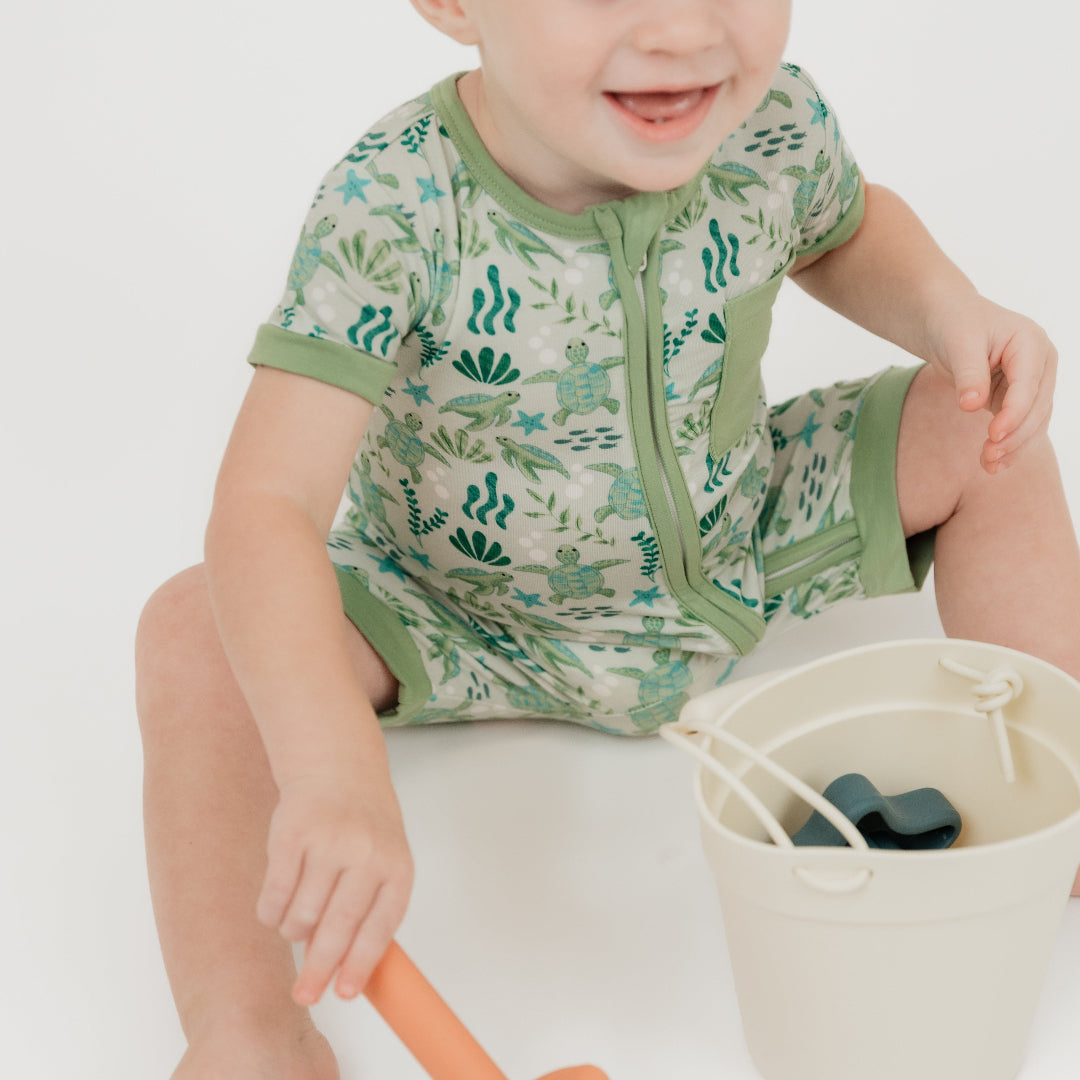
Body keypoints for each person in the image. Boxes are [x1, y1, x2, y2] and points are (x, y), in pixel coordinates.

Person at [134, 1, 1080, 1075]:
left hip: (739, 540)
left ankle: (1063, 783)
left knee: (984, 423)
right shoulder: (393, 202)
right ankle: (250, 1029)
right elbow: (268, 502)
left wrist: (946, 309)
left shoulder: (767, 121)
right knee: (190, 629)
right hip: (456, 608)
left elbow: (847, 228)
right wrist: (330, 771)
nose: (682, 29)